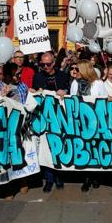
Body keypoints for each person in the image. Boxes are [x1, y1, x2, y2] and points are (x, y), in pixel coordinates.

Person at [31, 52, 70, 192]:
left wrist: (65, 92)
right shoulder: (38, 76)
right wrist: (34, 91)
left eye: (48, 64)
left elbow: (71, 92)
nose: (45, 67)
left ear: (54, 63)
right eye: (43, 64)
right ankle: (49, 179)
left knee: (59, 146)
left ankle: (59, 176)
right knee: (46, 148)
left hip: (60, 118)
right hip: (44, 118)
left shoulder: (63, 75)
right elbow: (34, 93)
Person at [69, 60, 108, 192]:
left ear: (85, 70)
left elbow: (104, 100)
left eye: (77, 69)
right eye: (74, 69)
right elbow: (72, 100)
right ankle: (86, 178)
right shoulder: (74, 83)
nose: (74, 72)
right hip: (80, 122)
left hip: (95, 122)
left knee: (95, 148)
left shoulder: (98, 83)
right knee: (83, 148)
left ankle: (95, 176)